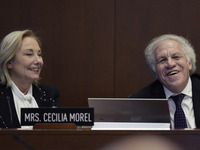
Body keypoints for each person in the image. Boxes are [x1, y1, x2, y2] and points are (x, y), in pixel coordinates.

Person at [129, 34, 200, 129]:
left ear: (189, 63)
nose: (170, 64)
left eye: (176, 57)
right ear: (155, 70)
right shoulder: (140, 103)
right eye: (162, 60)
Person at [0, 30, 60, 128]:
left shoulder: (50, 94)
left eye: (39, 55)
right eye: (29, 54)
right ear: (9, 62)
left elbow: (59, 136)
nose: (38, 61)